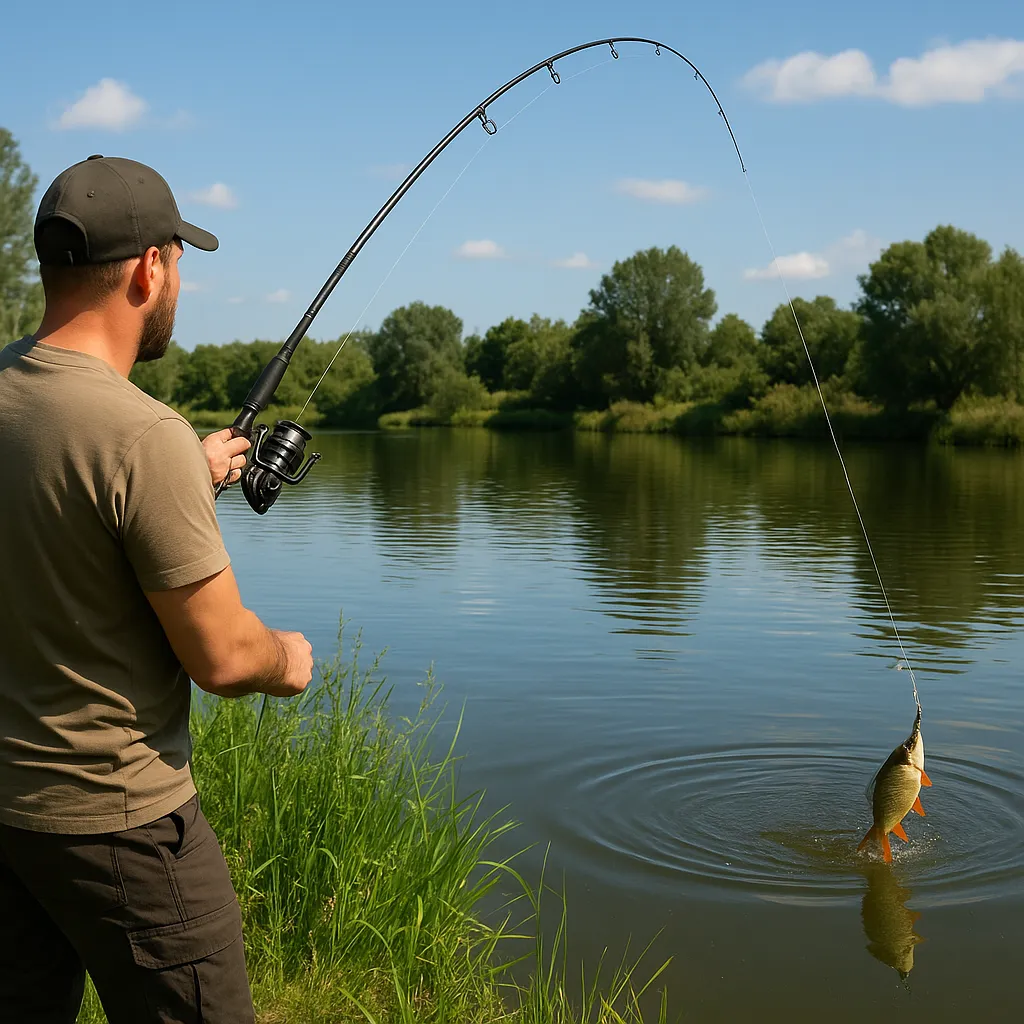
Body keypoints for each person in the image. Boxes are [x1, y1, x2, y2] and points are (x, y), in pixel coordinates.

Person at [0, 155, 314, 1023]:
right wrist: (288, 661)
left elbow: (56, 505)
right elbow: (221, 657)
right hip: (125, 828)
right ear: (149, 268)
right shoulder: (145, 437)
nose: (178, 280)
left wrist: (191, 473)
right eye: (178, 260)